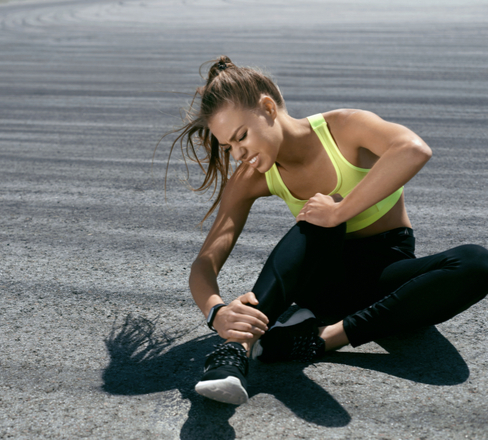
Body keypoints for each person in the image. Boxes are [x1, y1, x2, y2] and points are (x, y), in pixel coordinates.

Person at [165, 56, 488, 405]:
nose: (239, 153)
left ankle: (322, 337)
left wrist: (340, 211)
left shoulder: (344, 128)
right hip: (320, 282)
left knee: (476, 262)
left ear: (268, 107)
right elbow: (205, 264)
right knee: (317, 220)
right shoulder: (251, 178)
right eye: (229, 147)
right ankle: (234, 351)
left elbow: (413, 149)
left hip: (385, 279)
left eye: (241, 136)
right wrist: (217, 311)